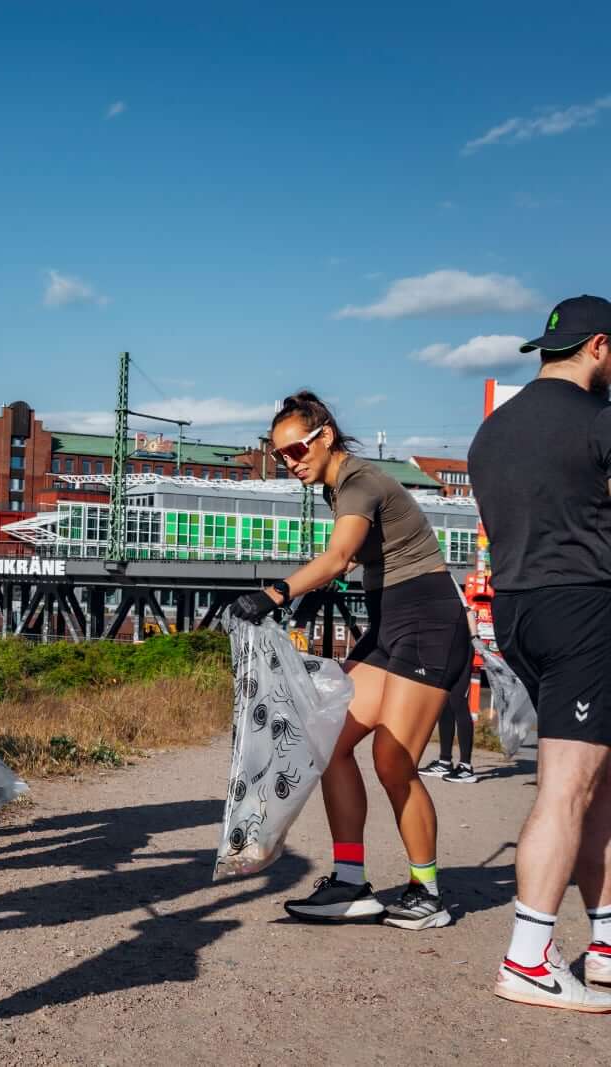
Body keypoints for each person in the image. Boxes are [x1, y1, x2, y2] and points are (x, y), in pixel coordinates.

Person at [230, 392, 466, 931]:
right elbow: (354, 556)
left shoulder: (360, 482)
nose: (290, 462)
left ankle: (427, 892)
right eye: (280, 455)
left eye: (296, 449)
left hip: (430, 624)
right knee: (329, 742)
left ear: (325, 435)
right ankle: (350, 881)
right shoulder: (342, 488)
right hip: (390, 624)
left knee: (393, 759)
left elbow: (338, 554)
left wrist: (277, 593)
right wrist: (321, 587)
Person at [468, 295, 611, 1013]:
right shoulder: (599, 420)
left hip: (520, 609)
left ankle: (608, 944)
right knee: (567, 787)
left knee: (597, 784)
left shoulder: (491, 431)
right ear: (601, 348)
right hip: (585, 606)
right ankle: (528, 957)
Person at [418, 682, 478, 784]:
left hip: (468, 666)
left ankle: (466, 767)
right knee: (445, 703)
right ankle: (445, 762)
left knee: (459, 700)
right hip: (450, 666)